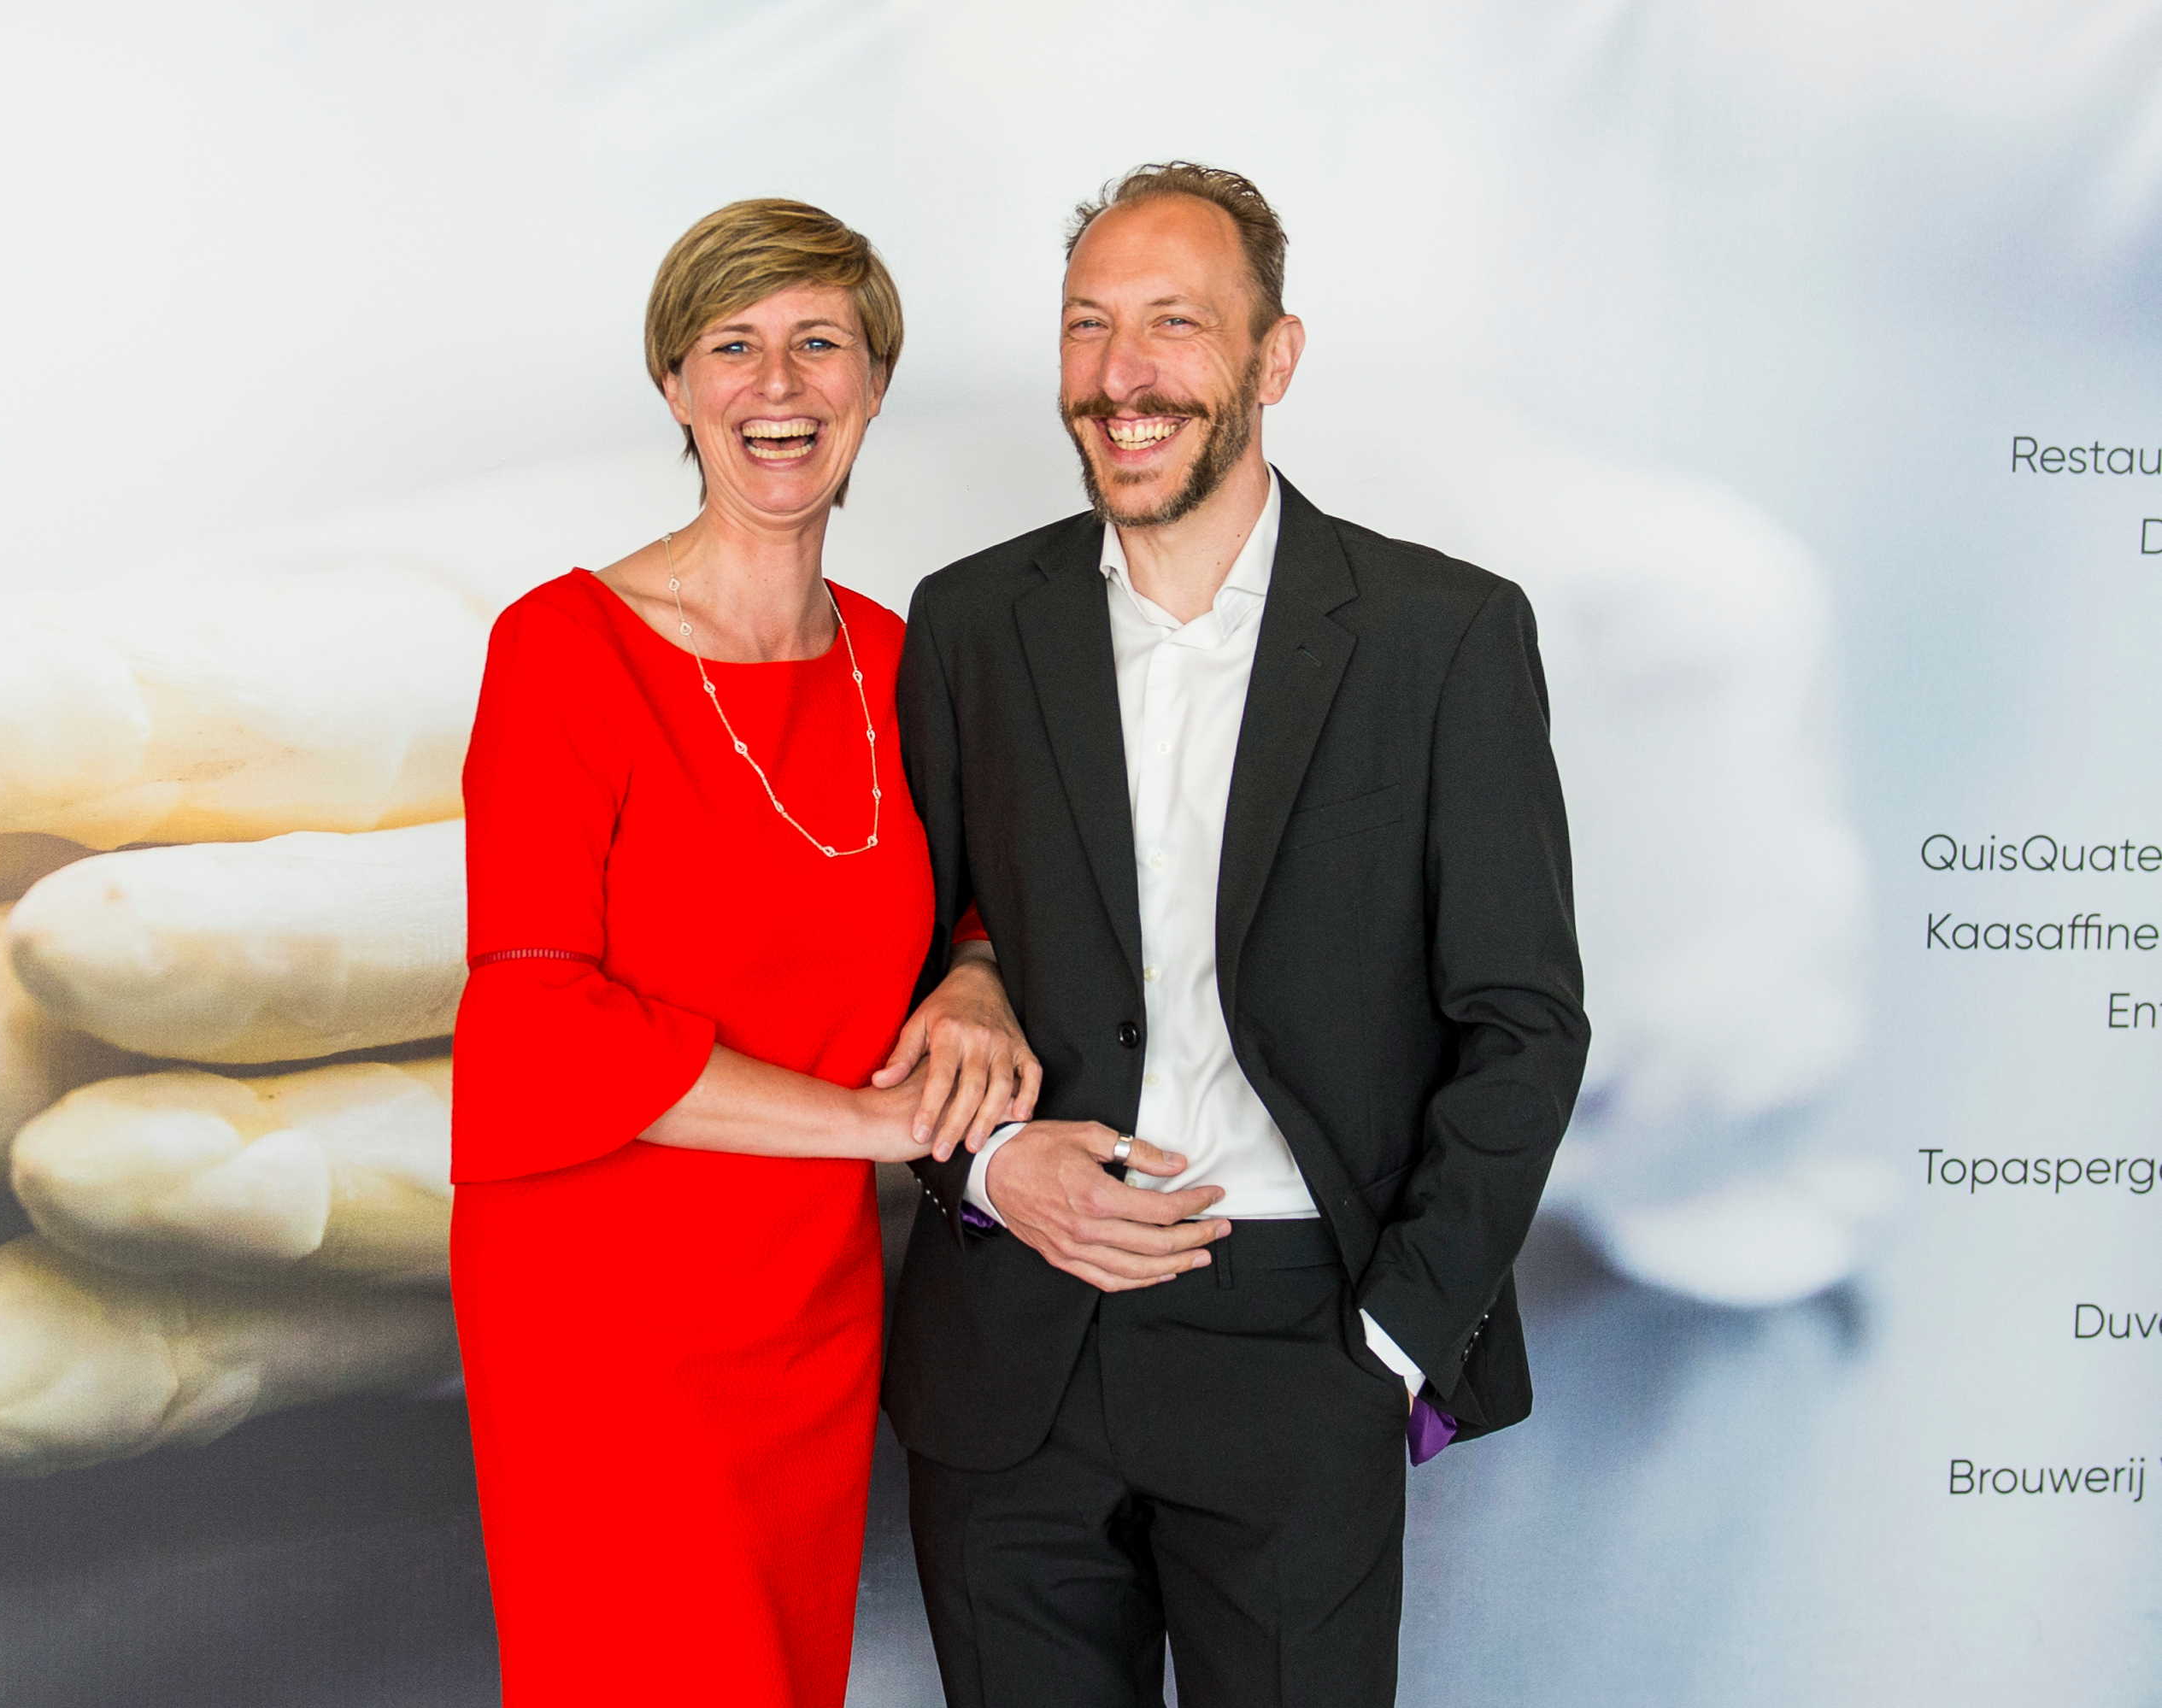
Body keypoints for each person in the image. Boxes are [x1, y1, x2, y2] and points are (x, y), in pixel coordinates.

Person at [884, 163, 1592, 1706]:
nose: (1121, 375)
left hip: (1303, 1342)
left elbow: (1523, 1022)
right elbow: (904, 963)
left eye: (1175, 324)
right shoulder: (967, 625)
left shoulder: (1444, 636)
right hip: (1013, 1344)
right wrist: (990, 1166)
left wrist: (1393, 1338)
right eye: (1088, 325)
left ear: (1274, 359)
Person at [449, 199, 1037, 1707]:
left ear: (874, 386)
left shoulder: (904, 662)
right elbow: (536, 1021)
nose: (778, 386)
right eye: (733, 346)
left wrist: (975, 975)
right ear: (676, 387)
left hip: (809, 1304)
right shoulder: (563, 650)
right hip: (600, 1306)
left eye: (819, 343)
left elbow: (974, 897)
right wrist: (876, 1125)